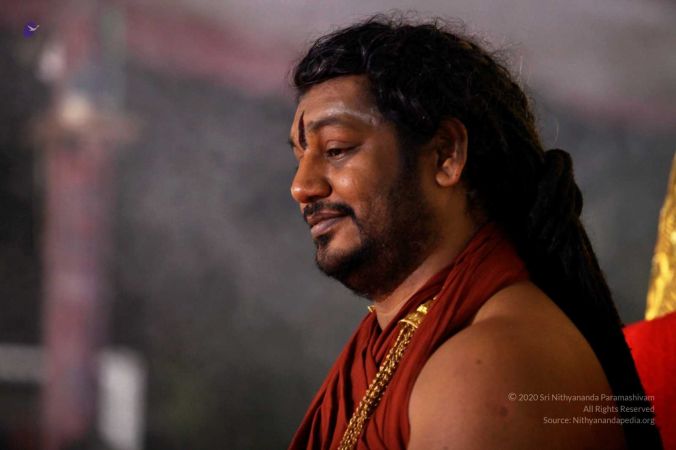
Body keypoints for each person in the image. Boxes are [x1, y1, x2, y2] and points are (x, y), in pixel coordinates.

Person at [286, 15, 662, 450]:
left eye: (336, 149)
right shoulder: (399, 339)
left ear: (445, 155)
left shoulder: (492, 364)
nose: (301, 186)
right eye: (300, 157)